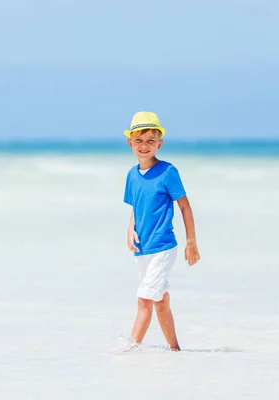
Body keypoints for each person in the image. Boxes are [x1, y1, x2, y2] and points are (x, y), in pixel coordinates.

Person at [116, 111, 200, 353]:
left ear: (159, 144)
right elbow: (136, 206)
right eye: (139, 140)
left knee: (144, 299)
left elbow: (184, 206)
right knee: (160, 300)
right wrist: (130, 228)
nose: (144, 146)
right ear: (129, 142)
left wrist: (191, 242)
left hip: (163, 246)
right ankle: (174, 349)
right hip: (142, 248)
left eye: (150, 141)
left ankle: (130, 349)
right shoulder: (132, 175)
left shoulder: (167, 172)